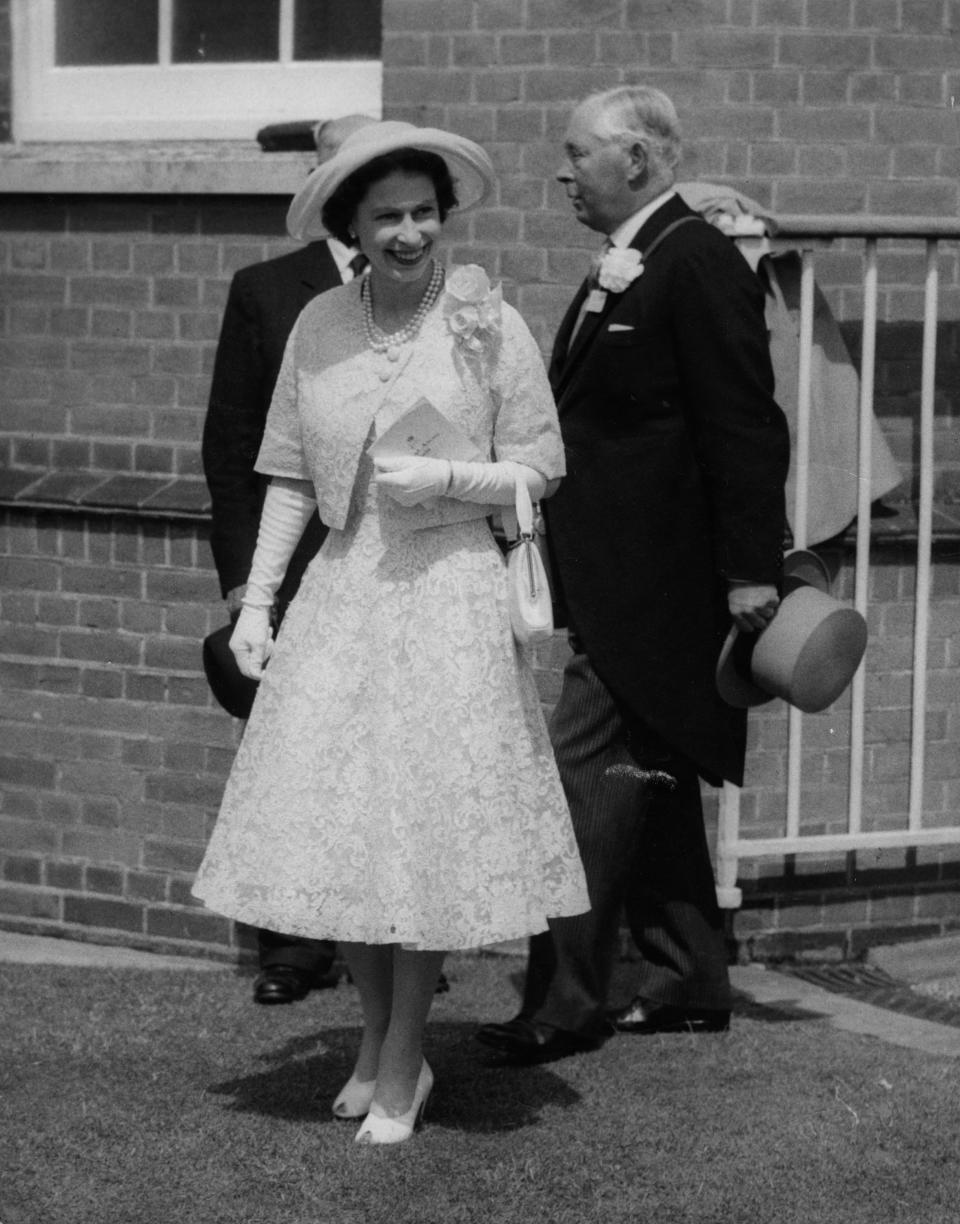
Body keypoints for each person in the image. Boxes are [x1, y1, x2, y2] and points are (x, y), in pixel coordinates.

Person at [192, 120, 589, 1143]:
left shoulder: (486, 320)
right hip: (344, 592)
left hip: (448, 592)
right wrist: (255, 604)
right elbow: (283, 471)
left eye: (423, 212)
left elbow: (543, 461)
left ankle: (408, 1058)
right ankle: (375, 1034)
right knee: (342, 825)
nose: (411, 233)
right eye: (387, 218)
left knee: (417, 834)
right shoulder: (320, 322)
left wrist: (458, 476)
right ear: (351, 230)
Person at [476, 85, 791, 1063]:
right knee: (642, 773)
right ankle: (689, 977)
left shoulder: (694, 261)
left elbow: (746, 425)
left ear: (641, 163)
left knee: (580, 776)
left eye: (578, 155)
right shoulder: (642, 255)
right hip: (612, 568)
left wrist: (748, 570)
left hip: (660, 584)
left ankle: (565, 1003)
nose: (562, 174)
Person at [202, 113, 375, 1007]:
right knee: (289, 759)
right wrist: (246, 589)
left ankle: (386, 932)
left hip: (389, 572)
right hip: (294, 568)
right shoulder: (268, 292)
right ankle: (293, 946)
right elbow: (232, 450)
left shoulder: (440, 296)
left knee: (386, 757)